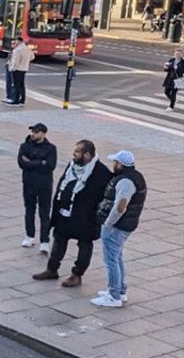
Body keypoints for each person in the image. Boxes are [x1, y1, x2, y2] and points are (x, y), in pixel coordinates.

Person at [32, 140, 112, 288]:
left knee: (84, 244)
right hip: (64, 213)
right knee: (59, 240)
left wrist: (96, 215)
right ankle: (52, 269)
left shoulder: (101, 173)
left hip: (85, 219)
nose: (73, 155)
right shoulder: (72, 166)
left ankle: (77, 274)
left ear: (87, 155)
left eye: (77, 152)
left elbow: (106, 197)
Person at [93, 150, 148, 308]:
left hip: (117, 226)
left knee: (111, 260)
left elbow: (120, 206)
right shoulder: (135, 177)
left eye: (115, 162)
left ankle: (113, 295)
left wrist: (109, 223)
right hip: (125, 224)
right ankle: (120, 291)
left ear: (122, 164)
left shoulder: (125, 182)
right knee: (117, 257)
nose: (113, 165)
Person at [18, 123, 57, 253]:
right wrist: (41, 162)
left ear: (44, 133)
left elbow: (51, 165)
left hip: (44, 185)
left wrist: (31, 162)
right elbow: (22, 163)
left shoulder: (51, 148)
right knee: (29, 210)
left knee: (44, 213)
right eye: (33, 131)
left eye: (36, 131)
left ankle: (44, 240)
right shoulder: (25, 146)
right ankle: (30, 236)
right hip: (29, 183)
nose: (33, 134)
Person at [5, 37, 34, 105]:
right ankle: (22, 100)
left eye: (16, 41)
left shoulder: (17, 50)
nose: (15, 43)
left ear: (18, 41)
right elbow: (32, 57)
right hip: (24, 68)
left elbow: (15, 61)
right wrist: (26, 61)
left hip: (17, 69)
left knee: (16, 85)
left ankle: (16, 100)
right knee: (21, 85)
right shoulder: (27, 49)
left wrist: (12, 68)